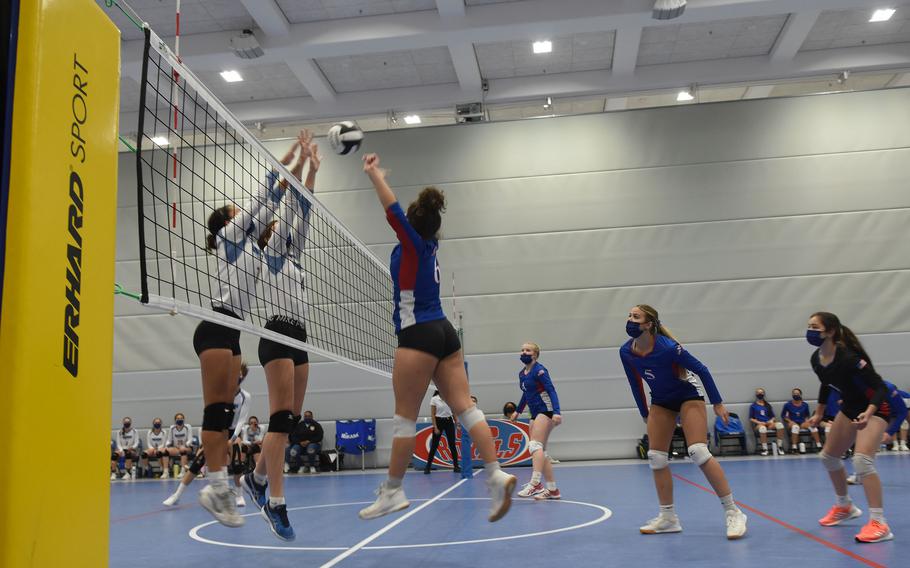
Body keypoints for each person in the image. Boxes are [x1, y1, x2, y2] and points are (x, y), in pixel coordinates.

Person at [357, 152, 516, 523]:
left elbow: (393, 212)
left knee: (404, 420)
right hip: (445, 332)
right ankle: (495, 473)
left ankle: (393, 491)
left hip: (418, 334)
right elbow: (407, 218)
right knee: (466, 407)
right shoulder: (429, 245)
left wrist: (374, 174)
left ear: (413, 224)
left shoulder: (413, 243)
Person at [196, 136, 300, 528]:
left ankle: (219, 486)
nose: (240, 212)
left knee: (225, 413)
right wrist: (281, 165)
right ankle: (216, 486)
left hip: (233, 332)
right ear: (226, 220)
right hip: (217, 325)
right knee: (217, 411)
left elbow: (266, 207)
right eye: (234, 210)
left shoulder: (248, 244)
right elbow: (258, 202)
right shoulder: (229, 236)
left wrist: (284, 185)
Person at [242, 132, 316, 542]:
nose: (280, 231)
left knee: (286, 426)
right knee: (278, 420)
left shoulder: (292, 256)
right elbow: (290, 209)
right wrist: (294, 165)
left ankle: (254, 479)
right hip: (276, 333)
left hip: (301, 337)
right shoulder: (263, 254)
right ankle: (276, 501)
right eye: (273, 229)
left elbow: (303, 208)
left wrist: (312, 166)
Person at [620, 304, 747, 539]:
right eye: (629, 316)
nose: (630, 320)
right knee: (656, 457)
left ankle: (733, 512)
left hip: (688, 395)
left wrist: (717, 403)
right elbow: (635, 383)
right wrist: (644, 412)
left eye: (636, 317)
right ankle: (668, 517)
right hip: (661, 401)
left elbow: (702, 370)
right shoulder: (626, 351)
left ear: (649, 324)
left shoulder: (668, 348)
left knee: (698, 451)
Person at [804, 312, 894, 543]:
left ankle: (879, 523)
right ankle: (845, 507)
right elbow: (826, 384)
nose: (810, 331)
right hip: (851, 408)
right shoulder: (817, 359)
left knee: (862, 461)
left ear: (830, 331)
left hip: (876, 408)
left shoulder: (849, 357)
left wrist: (870, 412)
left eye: (815, 327)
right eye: (809, 327)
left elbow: (880, 387)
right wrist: (819, 413)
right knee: (829, 457)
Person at [164, 363, 252, 507]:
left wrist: (233, 438)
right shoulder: (221, 393)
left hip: (233, 433)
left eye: (240, 374)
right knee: (198, 462)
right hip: (218, 431)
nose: (237, 377)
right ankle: (177, 495)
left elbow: (242, 419)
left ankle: (239, 495)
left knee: (237, 463)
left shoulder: (245, 396)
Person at [509, 342, 562, 500]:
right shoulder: (522, 374)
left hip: (546, 410)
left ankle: (535, 483)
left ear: (535, 354)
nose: (524, 352)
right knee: (541, 452)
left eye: (528, 350)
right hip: (534, 412)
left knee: (534, 446)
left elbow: (551, 390)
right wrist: (518, 411)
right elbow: (526, 394)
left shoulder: (540, 371)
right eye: (523, 349)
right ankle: (553, 489)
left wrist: (557, 412)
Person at [845, 380, 908, 484]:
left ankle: (861, 472)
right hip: (877, 413)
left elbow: (903, 412)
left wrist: (890, 432)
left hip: (896, 411)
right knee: (865, 439)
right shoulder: (855, 389)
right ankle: (860, 473)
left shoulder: (889, 388)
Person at [424, 390, 460, 474]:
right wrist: (435, 427)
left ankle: (456, 466)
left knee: (452, 444)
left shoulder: (450, 398)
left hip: (449, 421)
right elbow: (433, 414)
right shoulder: (434, 399)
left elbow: (453, 411)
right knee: (434, 445)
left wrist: (457, 422)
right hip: (438, 421)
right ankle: (428, 467)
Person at [782, 387, 821, 453]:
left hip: (802, 422)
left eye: (797, 393)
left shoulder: (805, 405)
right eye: (794, 393)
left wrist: (807, 421)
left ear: (800, 394)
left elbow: (806, 415)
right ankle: (794, 448)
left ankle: (819, 446)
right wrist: (790, 421)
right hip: (793, 422)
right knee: (795, 427)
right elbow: (784, 416)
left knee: (813, 427)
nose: (796, 395)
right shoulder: (787, 405)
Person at [748, 388, 785, 456]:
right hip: (759, 425)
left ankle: (779, 447)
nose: (760, 394)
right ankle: (765, 449)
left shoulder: (767, 405)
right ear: (756, 394)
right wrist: (759, 422)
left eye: (761, 393)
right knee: (762, 428)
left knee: (780, 425)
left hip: (768, 424)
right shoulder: (753, 406)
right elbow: (751, 418)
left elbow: (773, 416)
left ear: (764, 394)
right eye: (758, 393)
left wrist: (771, 421)